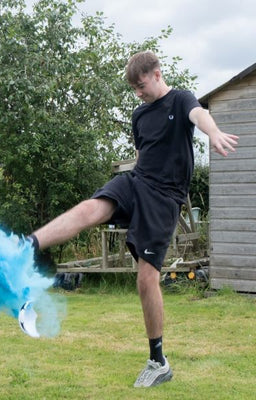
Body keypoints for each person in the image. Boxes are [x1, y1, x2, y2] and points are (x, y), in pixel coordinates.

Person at [28, 51, 238, 387]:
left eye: (141, 86)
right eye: (134, 89)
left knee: (145, 279)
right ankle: (29, 244)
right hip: (137, 181)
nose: (138, 93)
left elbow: (200, 115)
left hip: (164, 197)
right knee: (91, 206)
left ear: (156, 74)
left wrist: (212, 134)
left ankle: (158, 361)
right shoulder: (139, 114)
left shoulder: (181, 100)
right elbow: (143, 153)